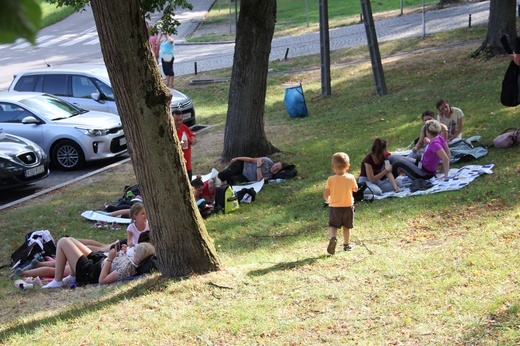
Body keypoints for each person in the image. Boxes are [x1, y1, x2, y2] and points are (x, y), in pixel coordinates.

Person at [42, 237, 155, 288]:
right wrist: (121, 253)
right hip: (100, 261)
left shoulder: (127, 269)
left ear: (139, 259)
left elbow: (102, 280)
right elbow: (118, 262)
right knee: (70, 240)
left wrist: (110, 259)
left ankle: (57, 281)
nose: (133, 251)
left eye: (135, 251)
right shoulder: (132, 262)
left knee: (63, 242)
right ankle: (72, 275)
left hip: (91, 272)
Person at [323, 152, 358, 255]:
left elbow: (326, 193)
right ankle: (346, 245)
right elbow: (355, 189)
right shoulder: (350, 177)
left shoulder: (331, 179)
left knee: (333, 225)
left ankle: (333, 238)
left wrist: (328, 199)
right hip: (347, 206)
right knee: (347, 227)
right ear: (348, 166)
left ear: (332, 167)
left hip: (334, 207)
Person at [217, 157, 284, 185]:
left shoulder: (269, 176)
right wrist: (237, 158)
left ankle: (217, 186)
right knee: (226, 173)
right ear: (275, 163)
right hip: (242, 166)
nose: (275, 168)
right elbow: (251, 160)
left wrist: (258, 167)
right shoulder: (267, 161)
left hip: (245, 177)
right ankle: (212, 181)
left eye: (277, 169)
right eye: (276, 166)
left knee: (231, 180)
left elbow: (259, 180)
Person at [174, 110, 197, 180]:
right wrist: (180, 145)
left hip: (188, 165)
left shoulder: (183, 127)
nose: (179, 122)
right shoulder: (170, 130)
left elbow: (193, 137)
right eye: (176, 120)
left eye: (181, 120)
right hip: (177, 166)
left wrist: (194, 140)